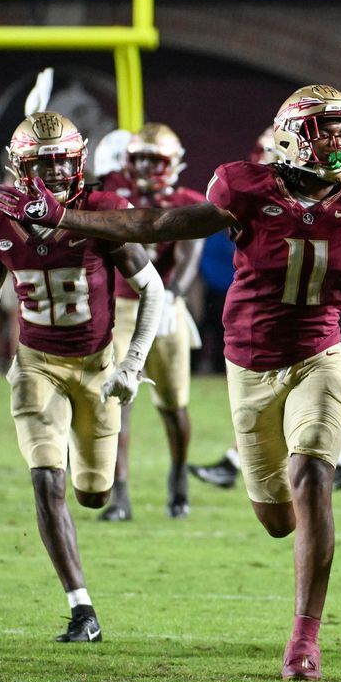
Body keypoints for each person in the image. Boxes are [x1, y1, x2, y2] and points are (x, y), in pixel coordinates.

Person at [0, 85, 341, 680]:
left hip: (321, 354)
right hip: (248, 362)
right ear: (293, 136)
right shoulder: (244, 187)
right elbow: (156, 222)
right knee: (276, 516)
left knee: (312, 475)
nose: (340, 141)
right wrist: (66, 216)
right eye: (325, 129)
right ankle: (298, 537)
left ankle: (303, 639)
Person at [0, 111, 164, 642]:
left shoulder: (100, 212)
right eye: (44, 168)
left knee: (94, 493)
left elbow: (153, 290)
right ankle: (82, 609)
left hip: (96, 367)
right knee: (47, 479)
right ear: (21, 171)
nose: (57, 178)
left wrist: (133, 364)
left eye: (64, 164)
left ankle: (70, 441)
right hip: (35, 365)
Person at [187, 125, 341, 492]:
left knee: (296, 403)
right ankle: (340, 461)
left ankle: (333, 460)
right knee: (287, 408)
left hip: (308, 318)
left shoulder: (332, 196)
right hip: (276, 321)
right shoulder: (253, 189)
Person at [98, 123, 207, 521]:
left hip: (166, 307)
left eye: (154, 158)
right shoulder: (111, 193)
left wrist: (174, 293)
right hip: (122, 306)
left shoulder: (186, 200)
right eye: (139, 156)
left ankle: (178, 479)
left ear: (173, 162)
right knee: (118, 398)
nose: (146, 165)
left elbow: (192, 254)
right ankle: (120, 495)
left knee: (174, 404)